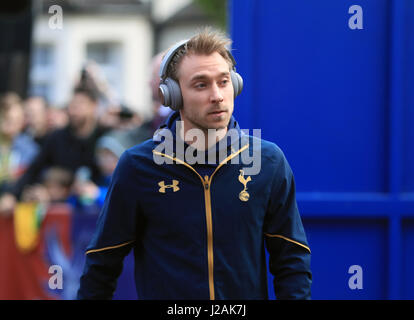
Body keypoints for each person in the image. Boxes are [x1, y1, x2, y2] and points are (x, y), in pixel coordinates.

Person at [77, 28, 311, 300]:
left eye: (223, 82)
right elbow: (101, 265)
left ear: (235, 85)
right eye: (201, 84)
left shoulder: (268, 161)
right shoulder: (138, 166)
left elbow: (292, 261)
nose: (217, 95)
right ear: (173, 96)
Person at [0, 84, 109, 211]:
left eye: (80, 105)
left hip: (94, 211)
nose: (74, 111)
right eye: (72, 105)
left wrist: (95, 192)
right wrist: (12, 194)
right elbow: (34, 169)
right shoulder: (57, 138)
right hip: (59, 210)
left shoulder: (105, 139)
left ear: (93, 106)